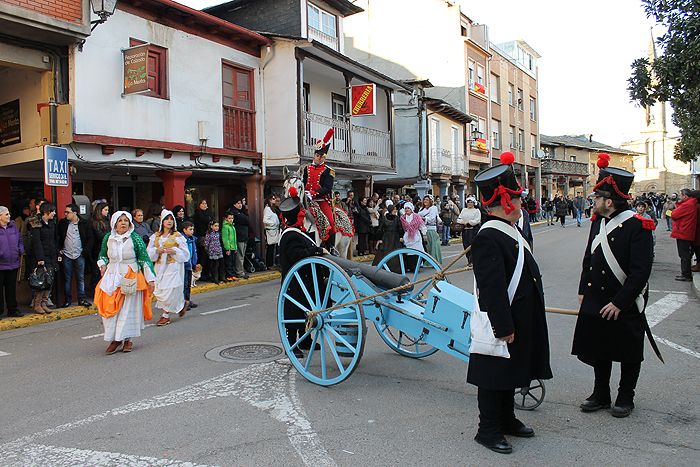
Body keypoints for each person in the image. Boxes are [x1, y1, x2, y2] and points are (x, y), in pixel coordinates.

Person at [468, 152, 552, 455]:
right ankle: (487, 429)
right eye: (516, 199)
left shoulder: (509, 230)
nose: (521, 204)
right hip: (500, 320)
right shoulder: (488, 237)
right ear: (505, 202)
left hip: (518, 316)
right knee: (492, 375)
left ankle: (506, 418)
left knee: (510, 370)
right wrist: (502, 326)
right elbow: (491, 289)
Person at [572, 153, 657, 419]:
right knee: (599, 347)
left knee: (629, 350)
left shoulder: (638, 226)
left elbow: (641, 271)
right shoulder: (598, 222)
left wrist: (620, 302)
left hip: (625, 299)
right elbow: (589, 256)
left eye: (597, 198)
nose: (593, 201)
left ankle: (625, 396)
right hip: (597, 296)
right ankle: (601, 393)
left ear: (609, 201)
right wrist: (583, 290)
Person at [94, 211, 155, 354]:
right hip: (112, 276)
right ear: (114, 223)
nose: (123, 223)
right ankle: (115, 339)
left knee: (128, 310)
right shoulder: (108, 238)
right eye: (120, 220)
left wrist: (150, 279)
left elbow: (144, 259)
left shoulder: (135, 238)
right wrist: (102, 264)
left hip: (130, 276)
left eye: (126, 221)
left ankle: (127, 340)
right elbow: (102, 255)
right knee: (109, 307)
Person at [278, 190, 327, 358]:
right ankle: (291, 343)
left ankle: (305, 339)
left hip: (305, 279)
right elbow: (297, 255)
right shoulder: (290, 235)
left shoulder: (297, 232)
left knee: (306, 311)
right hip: (295, 282)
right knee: (294, 314)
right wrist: (317, 250)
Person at [148, 209, 190, 326]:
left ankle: (165, 315)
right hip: (159, 267)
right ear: (162, 221)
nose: (169, 221)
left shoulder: (177, 236)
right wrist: (157, 250)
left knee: (169, 291)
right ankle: (181, 305)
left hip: (173, 266)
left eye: (171, 219)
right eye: (167, 219)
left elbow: (186, 254)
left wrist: (174, 251)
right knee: (159, 291)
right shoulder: (155, 236)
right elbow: (149, 253)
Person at [303, 128, 336, 243]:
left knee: (331, 222)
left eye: (321, 156)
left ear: (324, 157)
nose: (319, 157)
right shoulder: (306, 168)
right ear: (314, 155)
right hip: (307, 200)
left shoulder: (329, 171)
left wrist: (314, 194)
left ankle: (331, 247)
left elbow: (327, 188)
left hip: (321, 200)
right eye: (317, 155)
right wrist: (305, 193)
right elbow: (303, 182)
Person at [57, 203, 94, 308]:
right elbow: (58, 236)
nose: (65, 214)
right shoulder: (63, 223)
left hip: (79, 254)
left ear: (75, 213)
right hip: (67, 254)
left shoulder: (84, 223)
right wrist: (60, 249)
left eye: (67, 212)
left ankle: (81, 299)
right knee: (67, 278)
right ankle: (67, 300)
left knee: (80, 278)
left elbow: (90, 238)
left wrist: (85, 251)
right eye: (65, 212)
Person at [29, 203, 59, 314]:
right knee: (41, 281)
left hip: (51, 255)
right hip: (41, 257)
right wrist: (40, 258)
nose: (54, 213)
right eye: (52, 211)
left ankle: (44, 303)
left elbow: (54, 240)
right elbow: (37, 242)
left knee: (49, 280)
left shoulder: (52, 223)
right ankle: (37, 304)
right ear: (46, 212)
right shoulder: (36, 224)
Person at [0, 206, 24, 318]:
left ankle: (12, 309)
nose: (9, 216)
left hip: (13, 263)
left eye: (9, 214)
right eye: (6, 214)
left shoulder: (13, 227)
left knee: (11, 289)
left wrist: (20, 249)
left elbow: (20, 240)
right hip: (1, 264)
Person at [669, 188, 698, 282]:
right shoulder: (691, 203)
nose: (679, 197)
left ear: (685, 196)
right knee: (685, 254)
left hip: (683, 232)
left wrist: (674, 209)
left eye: (680, 195)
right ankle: (686, 273)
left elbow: (674, 214)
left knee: (684, 255)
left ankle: (686, 274)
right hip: (685, 231)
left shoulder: (687, 204)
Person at [90, 202, 110, 292]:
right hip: (98, 250)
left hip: (107, 249)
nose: (107, 212)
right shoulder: (96, 223)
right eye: (105, 210)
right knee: (97, 273)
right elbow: (99, 236)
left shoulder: (107, 221)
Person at [456, 197, 481, 266]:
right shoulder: (464, 210)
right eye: (468, 202)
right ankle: (468, 259)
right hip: (465, 230)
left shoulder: (476, 211)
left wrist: (469, 222)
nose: (469, 203)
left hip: (473, 230)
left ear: (474, 203)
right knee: (466, 245)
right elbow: (459, 219)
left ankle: (472, 260)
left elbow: (477, 220)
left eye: (471, 202)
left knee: (472, 245)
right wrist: (463, 222)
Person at [417, 196, 442, 264]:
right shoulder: (421, 209)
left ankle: (434, 262)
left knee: (433, 246)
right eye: (424, 199)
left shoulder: (433, 208)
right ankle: (426, 261)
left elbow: (432, 218)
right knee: (426, 246)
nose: (425, 201)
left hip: (431, 229)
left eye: (427, 200)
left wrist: (423, 218)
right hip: (422, 229)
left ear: (430, 201)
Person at [181, 220, 198, 311]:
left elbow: (194, 252)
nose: (192, 231)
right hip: (184, 265)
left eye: (193, 229)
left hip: (190, 264)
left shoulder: (192, 239)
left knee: (188, 285)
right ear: (184, 230)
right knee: (183, 284)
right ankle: (183, 302)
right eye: (190, 229)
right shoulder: (182, 240)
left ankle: (187, 300)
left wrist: (194, 263)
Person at [231, 197, 250, 279]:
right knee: (240, 255)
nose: (240, 205)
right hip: (239, 236)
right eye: (238, 203)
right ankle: (239, 271)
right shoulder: (234, 213)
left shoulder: (241, 212)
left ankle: (241, 270)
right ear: (234, 204)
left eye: (241, 203)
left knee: (242, 254)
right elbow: (246, 220)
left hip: (244, 236)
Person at [263, 194, 281, 267]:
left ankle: (272, 263)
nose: (274, 200)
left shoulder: (272, 208)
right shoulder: (267, 209)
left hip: (274, 230)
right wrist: (273, 223)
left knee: (273, 247)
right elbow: (265, 220)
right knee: (270, 248)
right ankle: (269, 264)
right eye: (273, 199)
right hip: (271, 230)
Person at [221, 211, 238, 280]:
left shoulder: (232, 226)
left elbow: (234, 238)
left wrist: (235, 247)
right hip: (229, 248)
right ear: (226, 219)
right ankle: (229, 275)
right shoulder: (225, 227)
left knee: (233, 261)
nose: (231, 220)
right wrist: (227, 248)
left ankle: (232, 274)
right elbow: (225, 238)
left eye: (232, 218)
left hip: (233, 247)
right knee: (228, 262)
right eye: (229, 218)